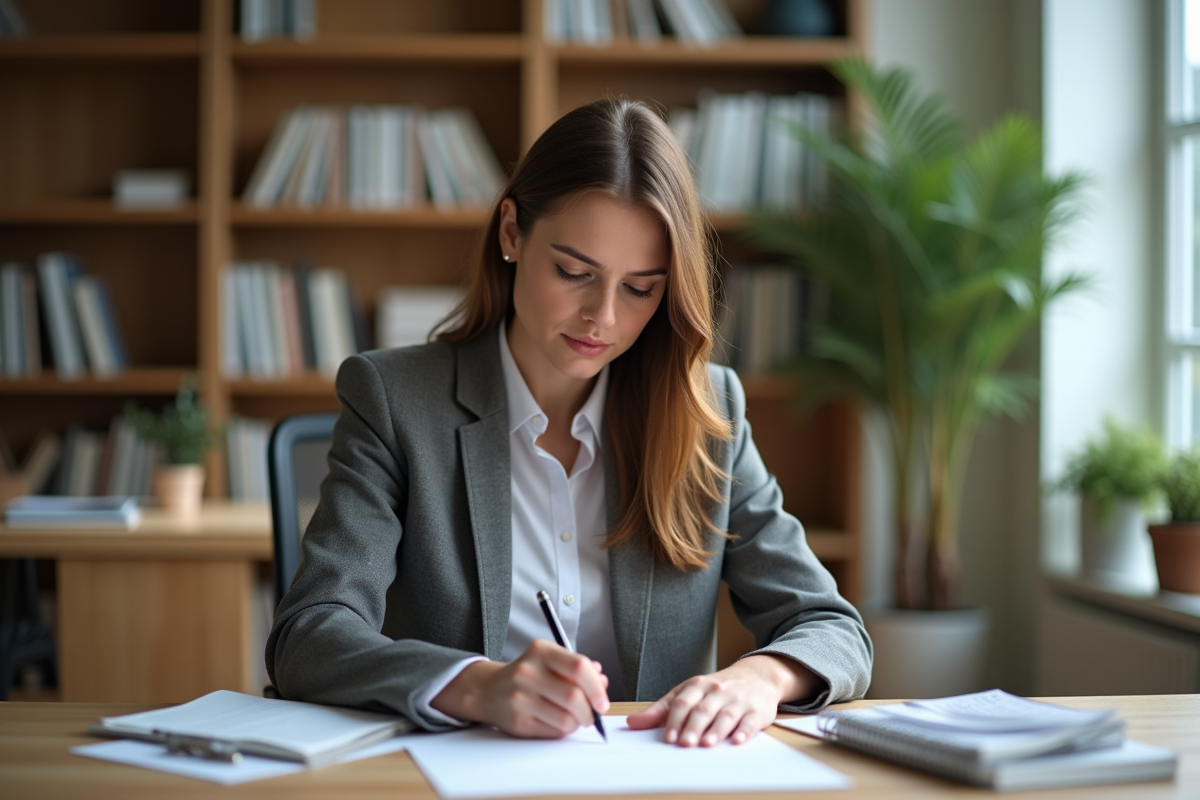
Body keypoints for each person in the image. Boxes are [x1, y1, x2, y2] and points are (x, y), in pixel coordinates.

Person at [266, 98, 872, 748]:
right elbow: (311, 631)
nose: (602, 318)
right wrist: (474, 685)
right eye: (574, 272)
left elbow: (833, 628)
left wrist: (759, 678)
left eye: (640, 288)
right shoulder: (393, 399)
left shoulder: (706, 412)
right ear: (510, 233)